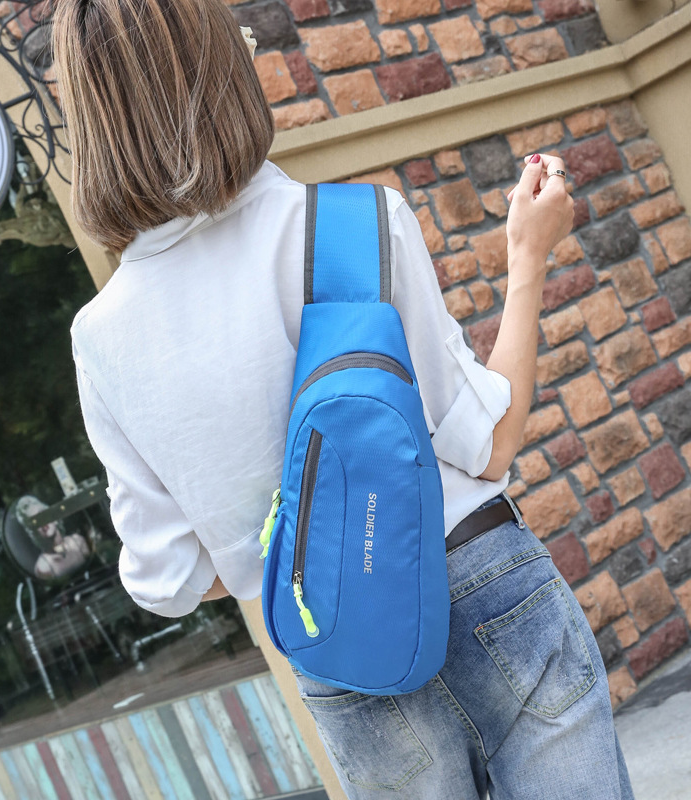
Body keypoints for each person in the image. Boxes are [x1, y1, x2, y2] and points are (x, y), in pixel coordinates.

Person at [52, 0, 634, 796]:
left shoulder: (103, 337)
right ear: (221, 72)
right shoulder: (355, 223)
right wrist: (528, 253)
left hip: (335, 645)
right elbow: (489, 443)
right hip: (482, 580)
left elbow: (170, 579)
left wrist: (302, 546)